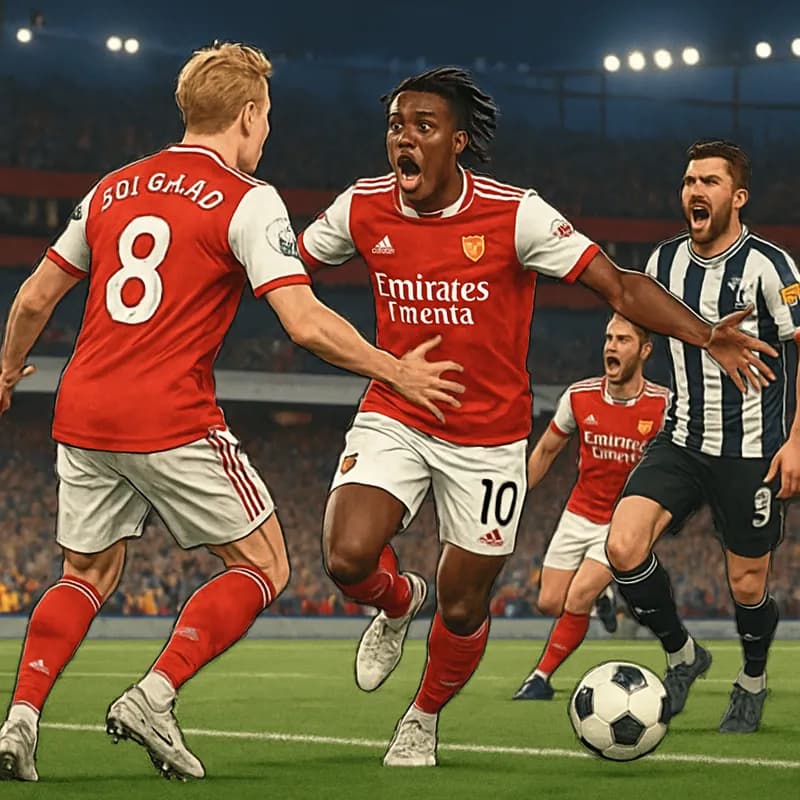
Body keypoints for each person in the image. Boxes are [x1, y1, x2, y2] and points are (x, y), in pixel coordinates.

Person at [0, 43, 465, 783]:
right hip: (170, 413)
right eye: (268, 117)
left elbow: (31, 298)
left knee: (84, 571)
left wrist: (4, 371)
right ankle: (155, 694)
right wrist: (394, 369)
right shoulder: (248, 196)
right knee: (263, 563)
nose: (268, 132)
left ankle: (20, 719)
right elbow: (305, 322)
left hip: (82, 410)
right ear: (248, 115)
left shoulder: (112, 188)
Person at [296, 68, 776, 767]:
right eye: (397, 124)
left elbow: (618, 283)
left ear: (457, 142)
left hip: (489, 440)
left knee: (462, 607)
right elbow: (285, 272)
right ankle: (398, 601)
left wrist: (704, 333)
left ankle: (423, 716)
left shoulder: (514, 214)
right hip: (396, 409)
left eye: (423, 126)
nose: (404, 137)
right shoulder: (362, 207)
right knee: (345, 557)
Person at [605, 139, 800, 733]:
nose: (695, 190)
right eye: (690, 180)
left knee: (746, 583)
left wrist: (796, 441)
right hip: (683, 439)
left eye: (710, 181)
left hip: (754, 450)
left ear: (737, 197)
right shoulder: (663, 264)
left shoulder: (772, 266)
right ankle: (683, 654)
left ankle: (753, 680)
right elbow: (636, 323)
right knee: (623, 547)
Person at [512, 314, 669, 700]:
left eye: (623, 340)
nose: (611, 346)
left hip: (622, 523)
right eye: (608, 338)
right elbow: (547, 449)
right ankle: (605, 596)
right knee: (551, 603)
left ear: (645, 350)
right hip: (577, 513)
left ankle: (540, 678)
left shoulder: (663, 405)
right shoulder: (579, 396)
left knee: (576, 598)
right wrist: (516, 497)